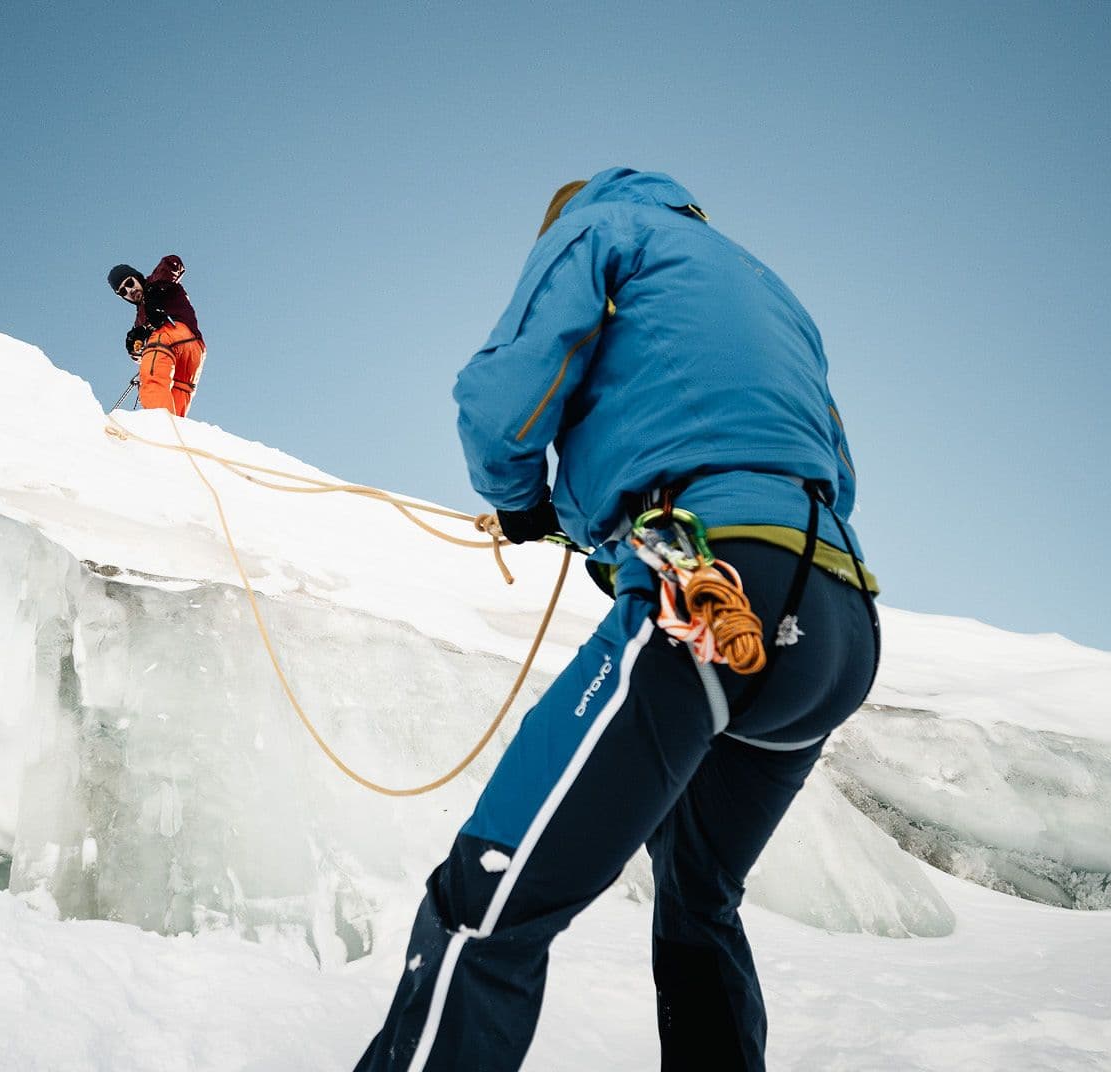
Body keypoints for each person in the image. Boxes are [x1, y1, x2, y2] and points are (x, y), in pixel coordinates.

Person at [353, 168, 882, 1072]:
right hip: (837, 617)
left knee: (488, 901)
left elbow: (505, 396)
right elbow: (834, 466)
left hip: (714, 587)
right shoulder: (771, 290)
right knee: (700, 904)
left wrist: (523, 503)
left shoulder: (604, 230)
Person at [107, 255, 205, 417]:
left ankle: (160, 423)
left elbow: (173, 263)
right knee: (177, 394)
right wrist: (135, 347)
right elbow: (141, 353)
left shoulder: (156, 282)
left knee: (151, 379)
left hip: (175, 333)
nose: (130, 291)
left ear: (137, 277)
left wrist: (155, 288)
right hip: (192, 351)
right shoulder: (140, 320)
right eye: (123, 291)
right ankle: (174, 427)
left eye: (130, 283)